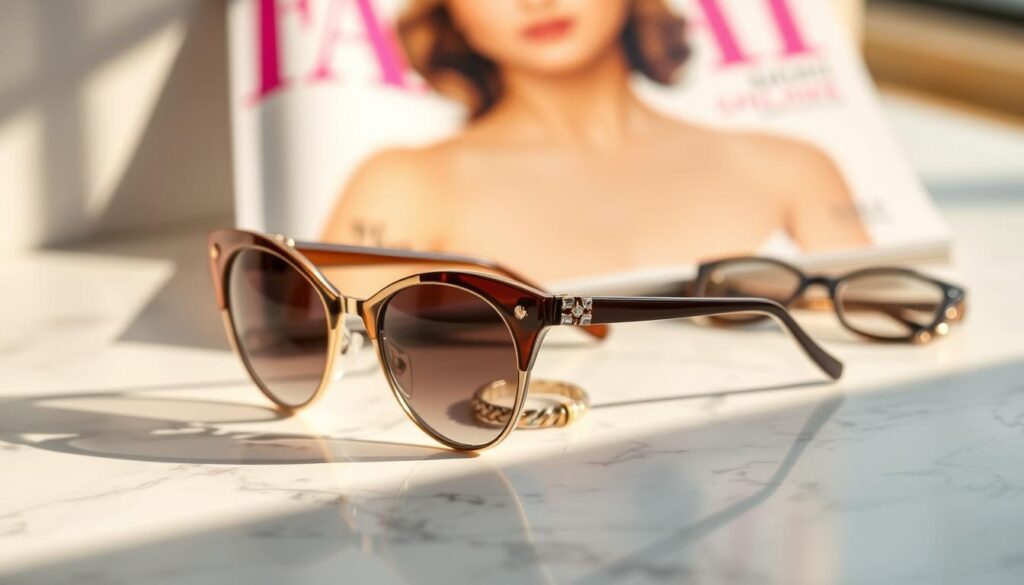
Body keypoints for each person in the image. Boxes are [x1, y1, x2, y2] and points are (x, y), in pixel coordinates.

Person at [322, 0, 870, 283]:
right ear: (452, 14)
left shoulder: (790, 167)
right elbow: (328, 379)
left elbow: (894, 362)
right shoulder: (403, 185)